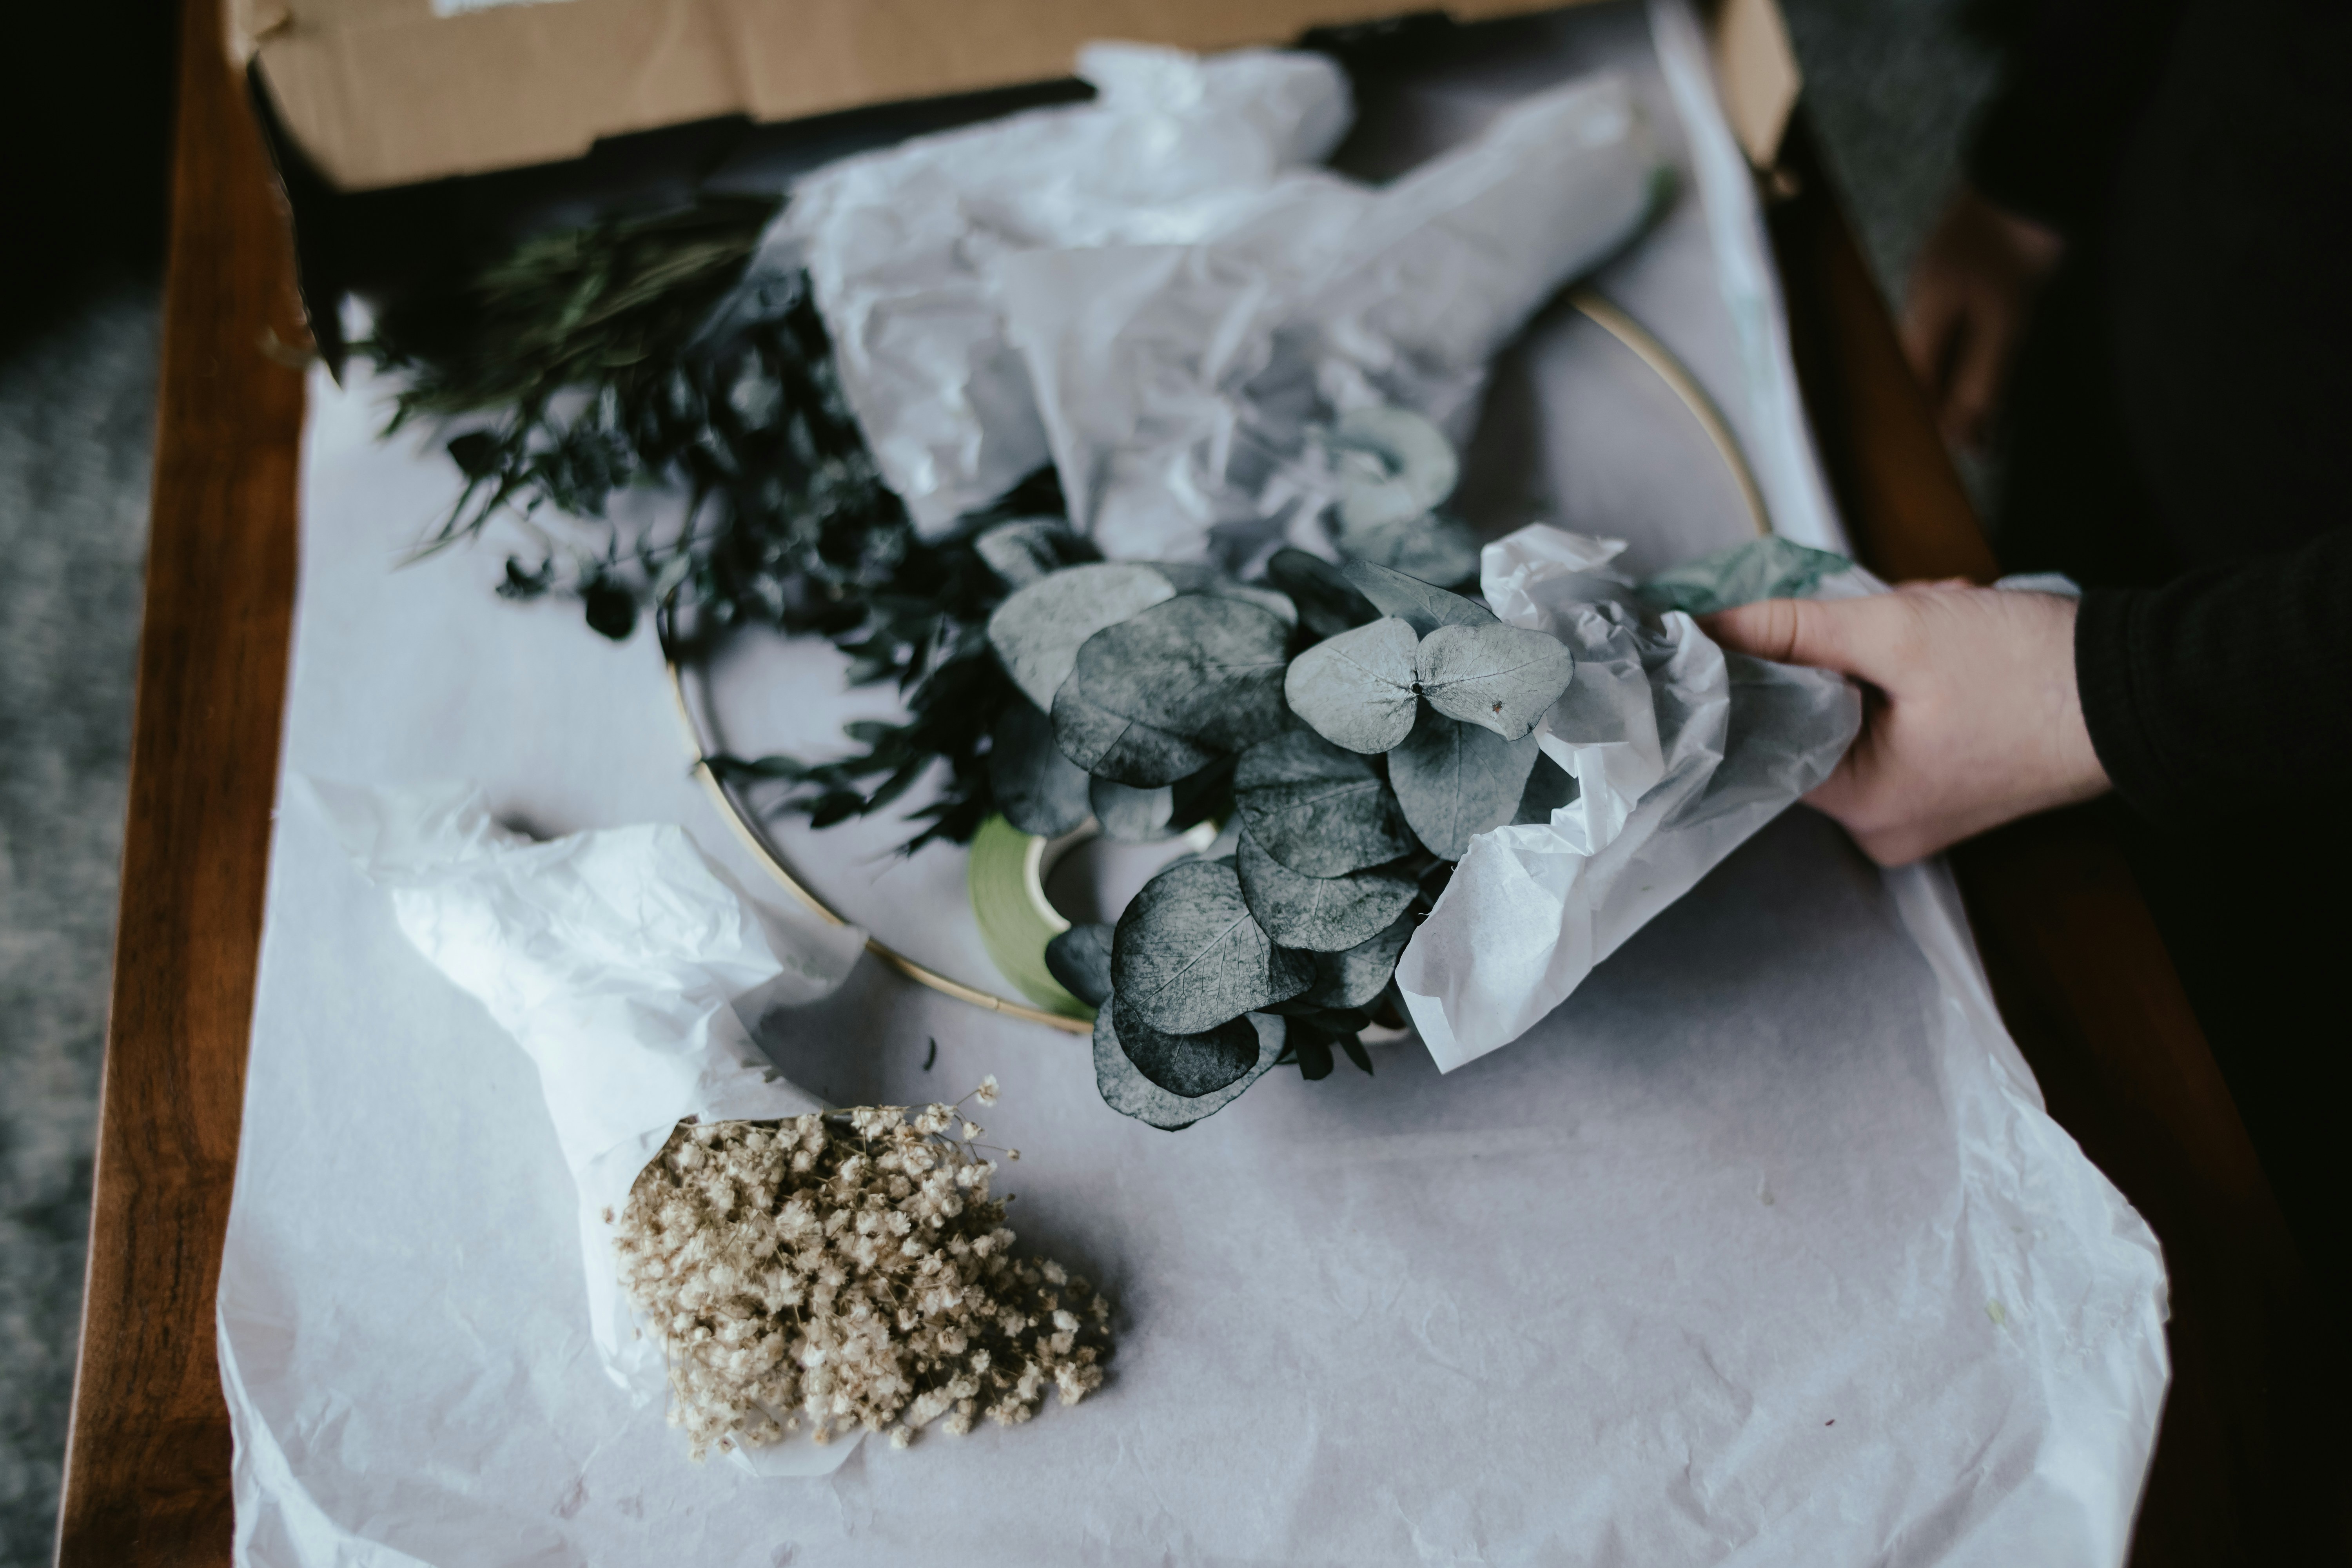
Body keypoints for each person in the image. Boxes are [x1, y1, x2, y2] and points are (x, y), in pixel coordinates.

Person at [1704, 0, 2350, 1293]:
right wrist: (2043, 165)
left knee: (2246, 1121)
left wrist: (2120, 692)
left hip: (2296, 722)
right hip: (2166, 311)